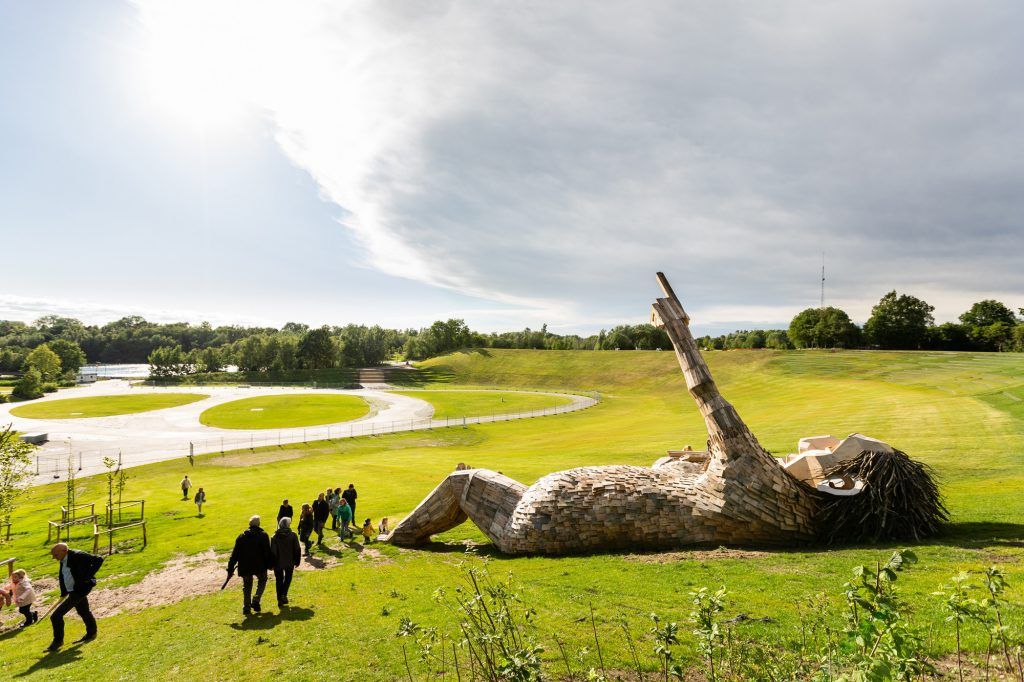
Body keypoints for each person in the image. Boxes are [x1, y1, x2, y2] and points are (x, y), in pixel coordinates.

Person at [47, 543, 103, 652]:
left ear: (64, 550)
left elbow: (98, 560)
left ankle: (58, 641)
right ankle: (91, 633)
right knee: (84, 611)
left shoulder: (78, 555)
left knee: (56, 616)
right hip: (73, 590)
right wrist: (64, 591)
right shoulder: (63, 559)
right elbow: (64, 575)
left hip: (80, 589)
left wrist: (87, 577)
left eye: (55, 554)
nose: (54, 557)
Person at [226, 515, 272, 616]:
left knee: (247, 585)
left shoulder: (241, 537)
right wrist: (270, 564)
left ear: (249, 525)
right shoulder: (263, 535)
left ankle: (246, 607)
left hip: (245, 566)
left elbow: (234, 554)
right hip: (259, 565)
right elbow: (267, 552)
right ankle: (256, 599)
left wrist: (230, 568)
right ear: (259, 524)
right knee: (263, 580)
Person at [269, 517, 301, 607]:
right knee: (288, 578)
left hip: (278, 563)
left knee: (279, 580)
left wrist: (272, 564)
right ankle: (284, 595)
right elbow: (297, 549)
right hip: (289, 562)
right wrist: (297, 561)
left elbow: (273, 552)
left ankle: (280, 599)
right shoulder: (293, 535)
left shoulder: (274, 536)